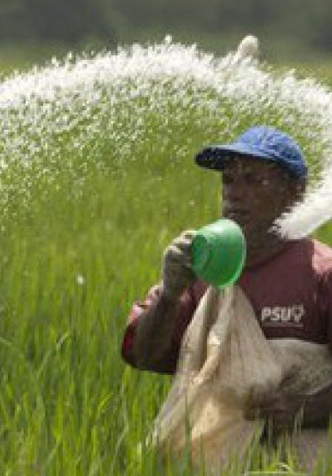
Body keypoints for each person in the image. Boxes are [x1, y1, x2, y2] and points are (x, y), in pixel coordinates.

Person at [121, 126, 332, 437]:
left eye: (253, 180)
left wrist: (308, 407)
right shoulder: (201, 268)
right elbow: (144, 356)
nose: (234, 193)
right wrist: (169, 294)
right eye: (228, 180)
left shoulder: (321, 274)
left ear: (295, 192)